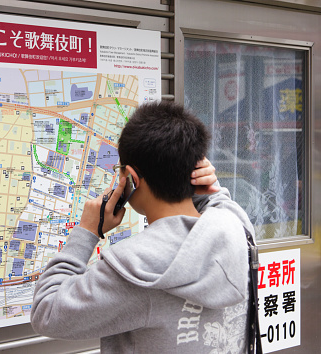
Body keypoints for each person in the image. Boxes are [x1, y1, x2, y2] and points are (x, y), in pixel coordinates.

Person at [31, 101, 255, 353]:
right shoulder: (235, 224)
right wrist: (205, 190)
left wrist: (86, 232)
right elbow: (218, 199)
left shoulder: (134, 268)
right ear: (196, 167)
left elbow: (46, 312)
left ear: (131, 179)